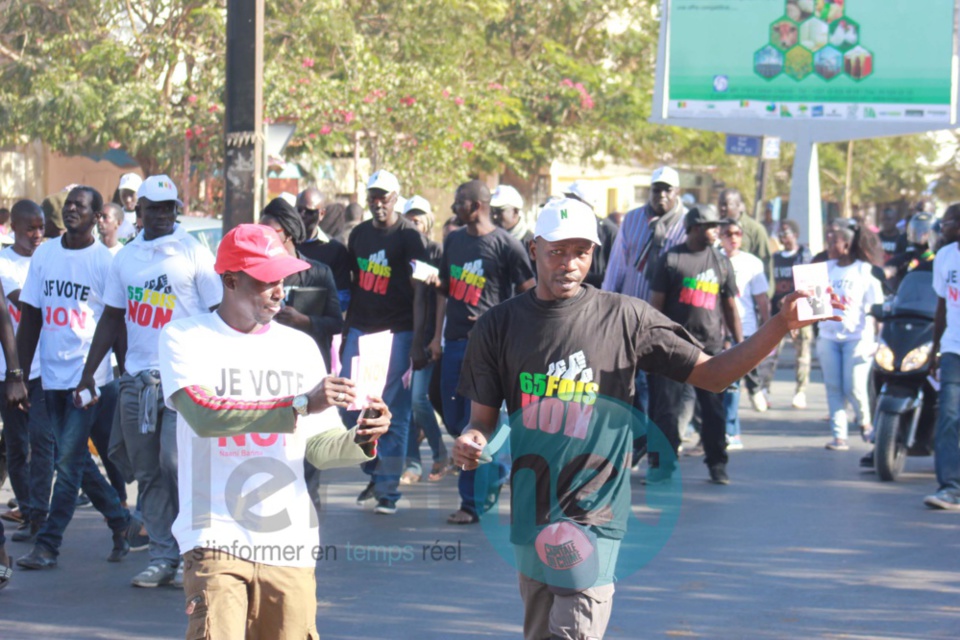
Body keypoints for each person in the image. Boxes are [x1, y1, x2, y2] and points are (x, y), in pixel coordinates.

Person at [451, 197, 837, 640]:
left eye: (581, 252)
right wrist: (472, 441)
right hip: (530, 509)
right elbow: (481, 419)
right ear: (534, 249)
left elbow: (712, 375)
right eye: (557, 251)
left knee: (570, 633)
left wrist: (778, 327)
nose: (569, 263)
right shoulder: (497, 326)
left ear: (593, 254)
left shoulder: (625, 318)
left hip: (593, 509)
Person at [158, 224, 391, 638]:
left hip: (289, 542)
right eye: (266, 281)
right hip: (215, 536)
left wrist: (363, 436)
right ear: (230, 280)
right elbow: (204, 415)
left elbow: (319, 448)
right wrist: (299, 403)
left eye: (282, 279)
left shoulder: (299, 346)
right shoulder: (185, 337)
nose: (279, 291)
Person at [74, 176, 221, 587]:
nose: (161, 214)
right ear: (138, 211)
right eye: (153, 207)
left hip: (184, 378)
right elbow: (112, 317)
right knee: (148, 471)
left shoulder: (193, 253)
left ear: (175, 209)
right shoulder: (125, 258)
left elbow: (217, 312)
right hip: (137, 380)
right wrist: (89, 373)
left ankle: (194, 550)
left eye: (168, 207)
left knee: (176, 464)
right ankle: (162, 556)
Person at [15, 186, 134, 570]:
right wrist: (18, 374)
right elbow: (31, 317)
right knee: (76, 460)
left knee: (66, 462)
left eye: (79, 206)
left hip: (90, 380)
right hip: (51, 377)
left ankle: (48, 544)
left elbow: (116, 325)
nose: (70, 210)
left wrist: (124, 372)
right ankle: (121, 522)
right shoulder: (46, 254)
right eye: (67, 204)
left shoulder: (106, 262)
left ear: (97, 216)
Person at [433, 180, 535, 524]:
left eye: (459, 202)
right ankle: (498, 464)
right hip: (456, 344)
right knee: (453, 418)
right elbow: (444, 293)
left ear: (476, 205)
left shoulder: (507, 246)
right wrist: (436, 337)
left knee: (474, 425)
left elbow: (530, 295)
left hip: (492, 349)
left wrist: (500, 320)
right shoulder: (453, 241)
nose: (453, 208)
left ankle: (471, 503)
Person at [342, 169, 430, 515]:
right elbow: (354, 284)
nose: (379, 203)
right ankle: (375, 470)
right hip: (361, 330)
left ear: (396, 199)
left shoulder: (411, 237)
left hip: (398, 332)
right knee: (349, 409)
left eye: (385, 197)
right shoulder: (359, 235)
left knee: (392, 412)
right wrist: (347, 333)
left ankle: (388, 492)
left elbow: (421, 291)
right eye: (373, 197)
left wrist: (418, 341)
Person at [648, 205, 742, 483]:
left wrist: (740, 345)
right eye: (712, 226)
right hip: (673, 349)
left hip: (710, 352)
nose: (718, 231)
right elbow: (655, 307)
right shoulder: (671, 260)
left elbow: (730, 308)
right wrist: (653, 346)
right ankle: (663, 466)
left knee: (713, 411)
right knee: (666, 411)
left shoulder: (721, 262)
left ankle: (717, 464)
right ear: (696, 228)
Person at [602, 166, 688, 418]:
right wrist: (607, 303)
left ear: (677, 192)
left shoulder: (686, 223)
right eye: (656, 189)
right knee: (629, 378)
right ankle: (639, 438)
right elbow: (618, 264)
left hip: (667, 317)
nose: (661, 195)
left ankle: (662, 437)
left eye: (666, 190)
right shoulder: (633, 219)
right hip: (631, 310)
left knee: (663, 383)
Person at [0, 201, 55, 545]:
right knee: (18, 444)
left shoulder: (49, 257)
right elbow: (23, 302)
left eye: (41, 228)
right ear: (13, 229)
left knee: (43, 441)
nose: (37, 235)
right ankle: (28, 509)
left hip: (43, 370)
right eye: (30, 229)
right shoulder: (5, 264)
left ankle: (39, 512)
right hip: (10, 372)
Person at [817, 219, 884, 451]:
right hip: (828, 337)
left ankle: (865, 423)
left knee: (854, 386)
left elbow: (877, 307)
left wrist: (878, 341)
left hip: (857, 338)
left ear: (846, 245)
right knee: (833, 386)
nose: (828, 245)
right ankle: (839, 436)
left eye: (833, 241)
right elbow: (813, 301)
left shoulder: (863, 270)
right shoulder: (826, 269)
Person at [400, 195, 451, 484]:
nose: (413, 225)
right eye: (408, 219)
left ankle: (440, 452)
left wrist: (433, 338)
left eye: (417, 219)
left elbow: (441, 298)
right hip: (400, 333)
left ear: (429, 223)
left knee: (420, 398)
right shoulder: (400, 253)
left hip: (429, 337)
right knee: (403, 403)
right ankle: (413, 464)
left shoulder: (437, 252)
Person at [260, 198, 342, 369]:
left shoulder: (318, 272)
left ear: (288, 233)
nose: (263, 238)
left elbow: (336, 323)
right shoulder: (256, 275)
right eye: (260, 232)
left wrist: (305, 321)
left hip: (308, 365)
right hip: (269, 363)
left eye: (270, 232)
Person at [719, 218, 771, 449]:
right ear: (720, 236)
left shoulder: (752, 263)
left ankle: (732, 431)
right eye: (728, 234)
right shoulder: (712, 258)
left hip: (744, 329)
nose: (733, 238)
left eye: (737, 234)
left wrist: (770, 331)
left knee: (731, 383)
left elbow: (762, 299)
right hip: (715, 331)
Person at [925, 204, 960, 509]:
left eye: (947, 222)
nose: (941, 226)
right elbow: (941, 309)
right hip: (952, 350)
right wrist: (934, 349)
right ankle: (950, 488)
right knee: (948, 417)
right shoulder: (945, 258)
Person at [763, 219, 814, 409]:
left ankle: (800, 391)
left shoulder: (804, 256)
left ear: (795, 235)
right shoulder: (775, 258)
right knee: (769, 353)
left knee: (802, 354)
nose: (784, 238)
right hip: (778, 315)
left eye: (787, 234)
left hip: (801, 314)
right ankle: (765, 388)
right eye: (781, 235)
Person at [296, 187, 352, 312]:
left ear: (321, 214)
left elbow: (343, 297)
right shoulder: (284, 244)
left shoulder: (335, 250)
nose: (302, 215)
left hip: (319, 325)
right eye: (298, 210)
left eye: (309, 211)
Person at [563, 180, 618, 288]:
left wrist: (580, 275)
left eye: (572, 199)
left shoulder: (609, 232)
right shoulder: (563, 229)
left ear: (588, 204)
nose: (567, 203)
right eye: (566, 198)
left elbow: (615, 275)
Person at [717, 188, 773, 287]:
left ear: (738, 206)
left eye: (726, 204)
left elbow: (766, 264)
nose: (722, 208)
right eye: (720, 204)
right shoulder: (714, 228)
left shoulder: (755, 229)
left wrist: (765, 295)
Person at [490, 184, 533, 249]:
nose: (495, 216)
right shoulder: (489, 241)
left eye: (499, 211)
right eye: (493, 210)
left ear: (515, 211)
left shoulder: (531, 244)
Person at [116, 172, 143, 243]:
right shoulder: (114, 217)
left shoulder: (146, 217)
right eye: (124, 195)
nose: (128, 200)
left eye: (132, 195)